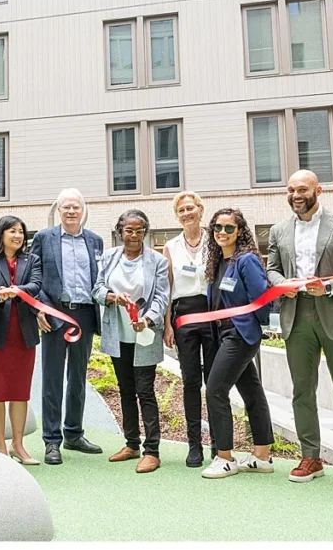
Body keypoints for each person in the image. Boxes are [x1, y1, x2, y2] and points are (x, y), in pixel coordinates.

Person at [266, 170, 333, 490]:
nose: (296, 195)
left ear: (318, 191)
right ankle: (310, 456)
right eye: (291, 190)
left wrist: (328, 287)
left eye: (303, 189)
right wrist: (279, 284)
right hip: (295, 317)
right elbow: (271, 268)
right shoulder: (278, 230)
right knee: (302, 391)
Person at [29, 188, 105, 465]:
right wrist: (38, 307)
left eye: (76, 207)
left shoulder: (95, 241)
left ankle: (74, 433)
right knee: (52, 378)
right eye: (66, 208)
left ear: (83, 211)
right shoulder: (43, 238)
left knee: (78, 377)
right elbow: (33, 275)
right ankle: (52, 440)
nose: (71, 212)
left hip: (84, 314)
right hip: (53, 314)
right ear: (58, 211)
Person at [92, 209, 170, 474]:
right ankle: (131, 444)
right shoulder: (109, 257)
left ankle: (152, 451)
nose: (134, 235)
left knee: (145, 391)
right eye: (129, 230)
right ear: (120, 232)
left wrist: (147, 319)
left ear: (145, 232)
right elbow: (97, 289)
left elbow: (161, 297)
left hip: (143, 335)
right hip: (118, 334)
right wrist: (111, 297)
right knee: (125, 389)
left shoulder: (157, 261)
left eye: (139, 230)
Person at [200, 208, 275, 480]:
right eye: (217, 228)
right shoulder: (218, 261)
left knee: (215, 390)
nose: (222, 232)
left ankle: (225, 458)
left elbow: (262, 298)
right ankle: (262, 456)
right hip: (223, 335)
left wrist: (255, 327)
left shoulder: (246, 261)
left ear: (240, 231)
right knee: (252, 393)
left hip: (240, 335)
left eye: (229, 228)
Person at [0, 216, 45, 465]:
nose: (17, 236)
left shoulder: (32, 259)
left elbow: (37, 284)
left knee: (20, 391)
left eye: (20, 232)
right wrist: (1, 296)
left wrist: (18, 290)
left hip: (24, 331)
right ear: (1, 234)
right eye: (12, 231)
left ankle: (18, 445)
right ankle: (0, 446)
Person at [161, 190, 217, 467]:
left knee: (216, 382)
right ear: (177, 215)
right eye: (181, 210)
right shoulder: (170, 246)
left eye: (190, 208)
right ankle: (194, 445)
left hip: (213, 314)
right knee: (191, 381)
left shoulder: (215, 240)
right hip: (184, 318)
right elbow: (168, 287)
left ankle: (220, 444)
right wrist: (167, 324)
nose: (186, 213)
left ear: (200, 210)